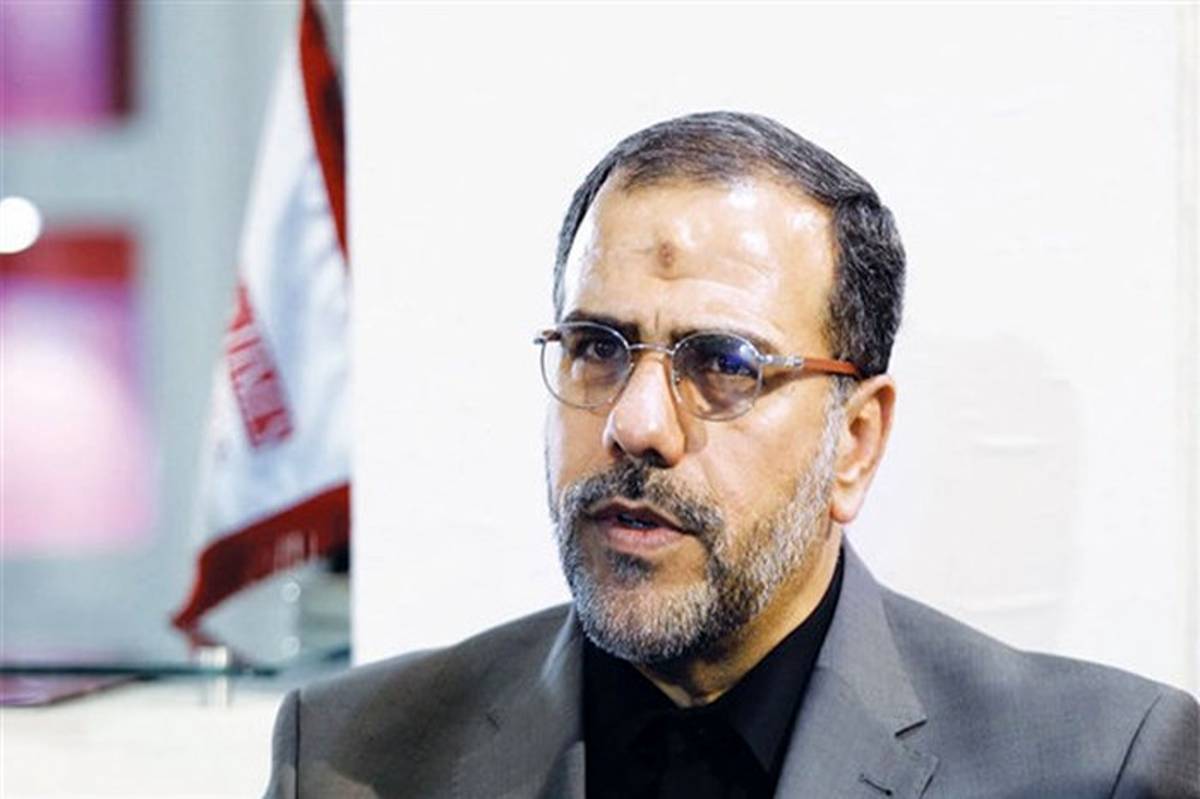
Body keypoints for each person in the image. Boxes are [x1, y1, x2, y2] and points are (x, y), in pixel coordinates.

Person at [264, 112, 1199, 798]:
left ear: (855, 443)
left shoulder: (1102, 767)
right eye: (597, 347)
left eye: (725, 364)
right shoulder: (354, 754)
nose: (637, 423)